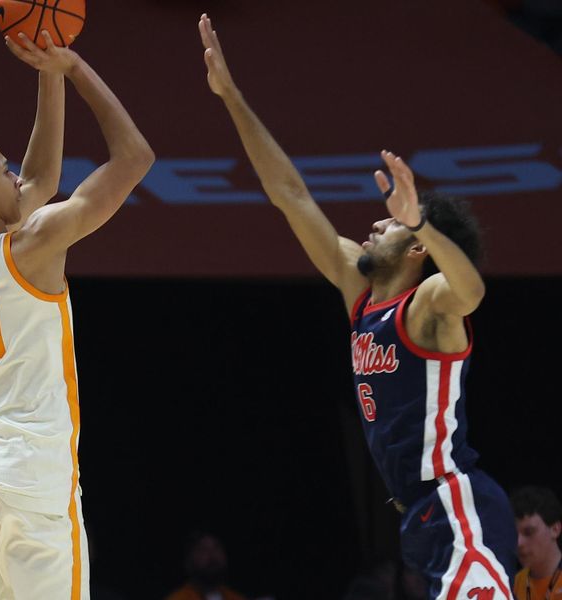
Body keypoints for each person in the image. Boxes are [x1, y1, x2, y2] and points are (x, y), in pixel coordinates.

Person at [197, 12, 516, 600]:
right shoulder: (361, 293)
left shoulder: (429, 306)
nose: (373, 224)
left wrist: (416, 215)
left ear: (418, 244)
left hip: (454, 502)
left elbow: (473, 290)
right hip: (419, 516)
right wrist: (231, 96)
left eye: (389, 223)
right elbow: (290, 195)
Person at [0, 31, 154, 599]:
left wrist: (47, 72)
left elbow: (38, 182)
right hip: (32, 480)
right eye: (1, 170)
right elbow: (135, 157)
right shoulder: (32, 246)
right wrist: (74, 67)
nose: (14, 174)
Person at [510, 486, 562, 600]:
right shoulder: (514, 583)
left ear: (555, 529)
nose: (519, 543)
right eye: (514, 534)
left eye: (529, 532)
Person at [164, 531, 247, 600]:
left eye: (216, 548)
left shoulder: (236, 597)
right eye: (203, 550)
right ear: (189, 560)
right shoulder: (178, 598)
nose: (212, 555)